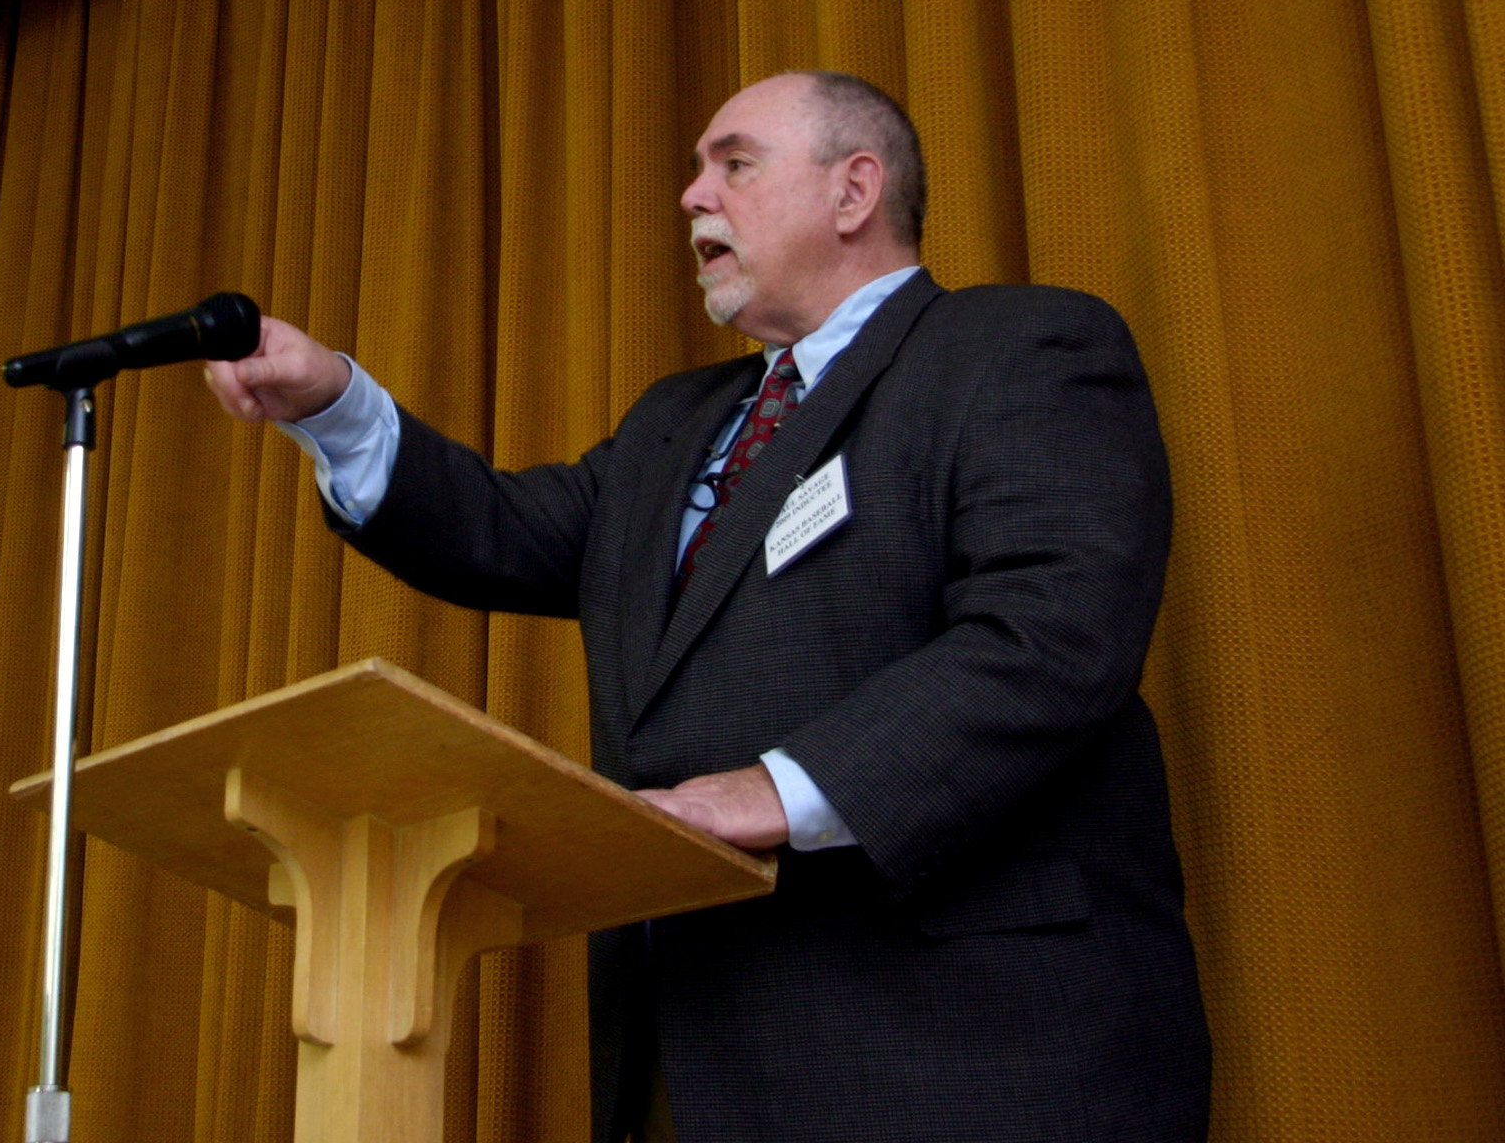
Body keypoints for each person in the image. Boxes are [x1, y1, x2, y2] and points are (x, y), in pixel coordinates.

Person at [206, 71, 1211, 1143]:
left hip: (971, 1050)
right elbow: (498, 530)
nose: (692, 196)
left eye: (735, 164)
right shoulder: (674, 422)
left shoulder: (1019, 347)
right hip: (702, 1051)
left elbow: (1052, 634)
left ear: (854, 190)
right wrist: (337, 406)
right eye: (695, 171)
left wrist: (776, 790)